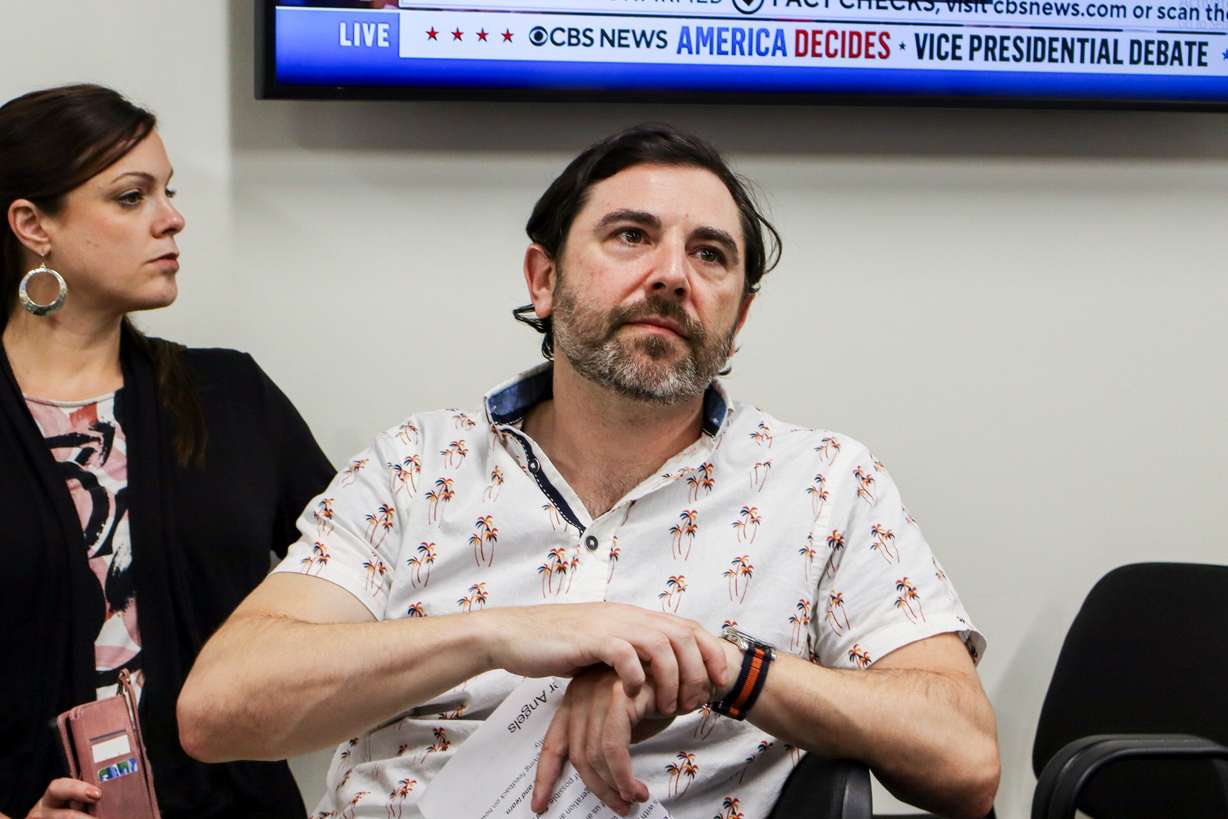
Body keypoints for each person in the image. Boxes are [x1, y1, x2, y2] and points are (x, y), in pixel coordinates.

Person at [178, 125, 999, 819]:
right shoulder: (414, 465)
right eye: (631, 236)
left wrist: (718, 668)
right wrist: (499, 633)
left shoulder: (823, 482)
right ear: (544, 280)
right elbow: (218, 712)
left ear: (738, 316)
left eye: (710, 255)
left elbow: (963, 756)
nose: (673, 275)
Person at [0, 84, 333, 819]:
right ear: (32, 224)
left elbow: (368, 578)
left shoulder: (232, 396)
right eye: (131, 197)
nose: (172, 218)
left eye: (168, 191)